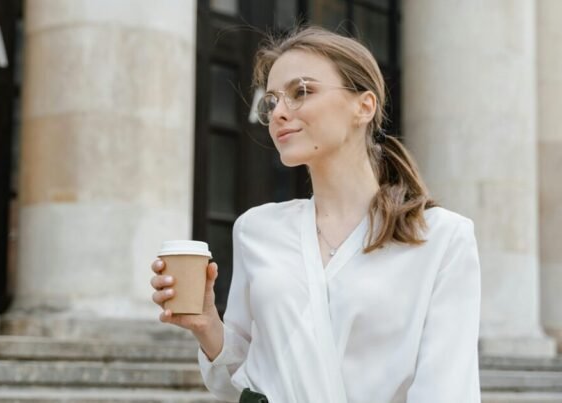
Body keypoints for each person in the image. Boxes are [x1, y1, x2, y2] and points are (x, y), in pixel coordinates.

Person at [150, 26, 481, 403]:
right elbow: (239, 380)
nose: (278, 113)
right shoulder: (256, 230)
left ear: (364, 106)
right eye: (271, 101)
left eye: (301, 92)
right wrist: (207, 322)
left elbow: (447, 391)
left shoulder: (441, 238)